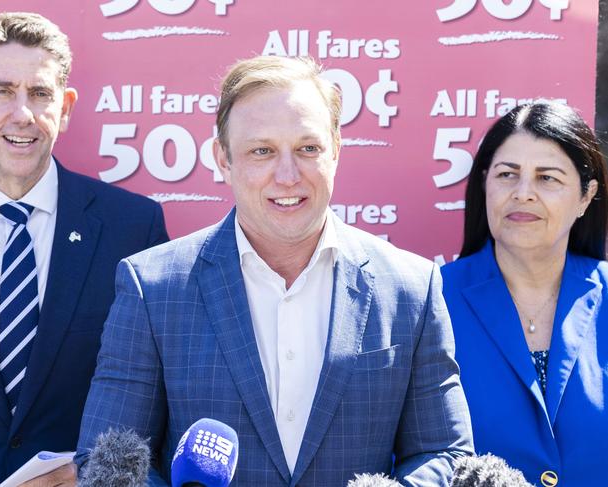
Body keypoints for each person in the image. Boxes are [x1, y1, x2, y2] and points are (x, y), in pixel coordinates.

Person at [76, 55, 473, 486]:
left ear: (336, 149)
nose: (287, 175)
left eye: (308, 148)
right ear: (223, 159)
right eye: (262, 151)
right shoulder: (152, 287)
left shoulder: (411, 288)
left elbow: (443, 452)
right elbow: (106, 459)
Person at [0, 12, 169, 487]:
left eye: (40, 93)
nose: (23, 114)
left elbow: (162, 409)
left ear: (66, 107)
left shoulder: (133, 229)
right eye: (1, 91)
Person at [441, 101, 608, 487]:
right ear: (484, 183)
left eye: (547, 178)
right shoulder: (429, 302)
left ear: (586, 196)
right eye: (507, 174)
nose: (523, 193)